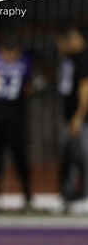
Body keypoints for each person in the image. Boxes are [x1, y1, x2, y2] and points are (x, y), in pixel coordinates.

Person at [0, 35, 34, 212]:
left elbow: (31, 85)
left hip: (16, 119)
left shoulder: (24, 63)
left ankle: (28, 197)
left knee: (21, 160)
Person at [55, 26, 88, 213]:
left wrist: (79, 116)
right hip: (70, 116)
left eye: (61, 42)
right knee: (69, 156)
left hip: (80, 117)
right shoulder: (69, 59)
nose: (59, 47)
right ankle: (67, 196)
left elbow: (85, 88)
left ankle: (85, 196)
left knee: (84, 156)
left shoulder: (84, 57)